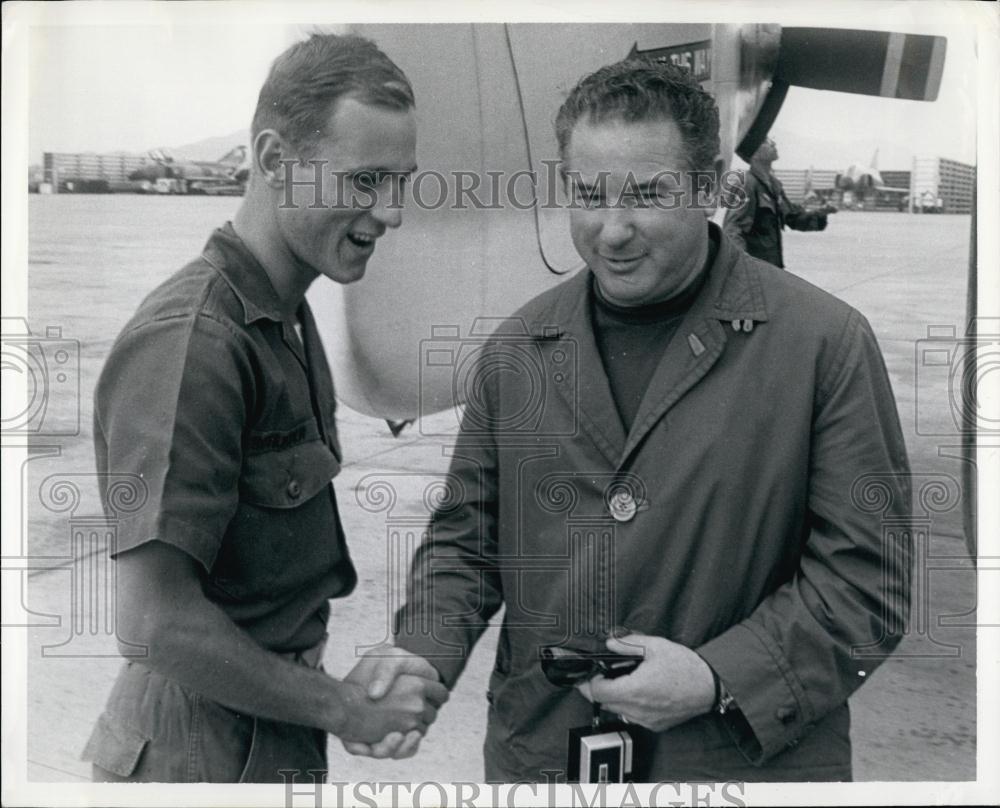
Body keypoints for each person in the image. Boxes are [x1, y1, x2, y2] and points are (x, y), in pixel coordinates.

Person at [347, 58, 912, 782]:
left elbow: (871, 581)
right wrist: (422, 651)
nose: (612, 231)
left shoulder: (824, 346)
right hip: (547, 758)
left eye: (647, 193)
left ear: (708, 186)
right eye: (588, 193)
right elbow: (468, 541)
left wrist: (718, 677)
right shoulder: (517, 350)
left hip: (737, 768)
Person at [81, 33, 447, 783]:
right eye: (365, 180)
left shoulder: (284, 312)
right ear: (276, 160)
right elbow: (154, 624)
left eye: (401, 181)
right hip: (198, 754)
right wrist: (343, 708)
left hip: (259, 729)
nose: (393, 212)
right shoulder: (196, 343)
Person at [723, 137, 831, 267]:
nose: (773, 143)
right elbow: (732, 228)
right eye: (765, 141)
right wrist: (742, 267)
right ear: (754, 154)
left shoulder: (774, 185)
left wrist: (820, 214)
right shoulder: (746, 184)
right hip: (756, 269)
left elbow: (792, 218)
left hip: (773, 266)